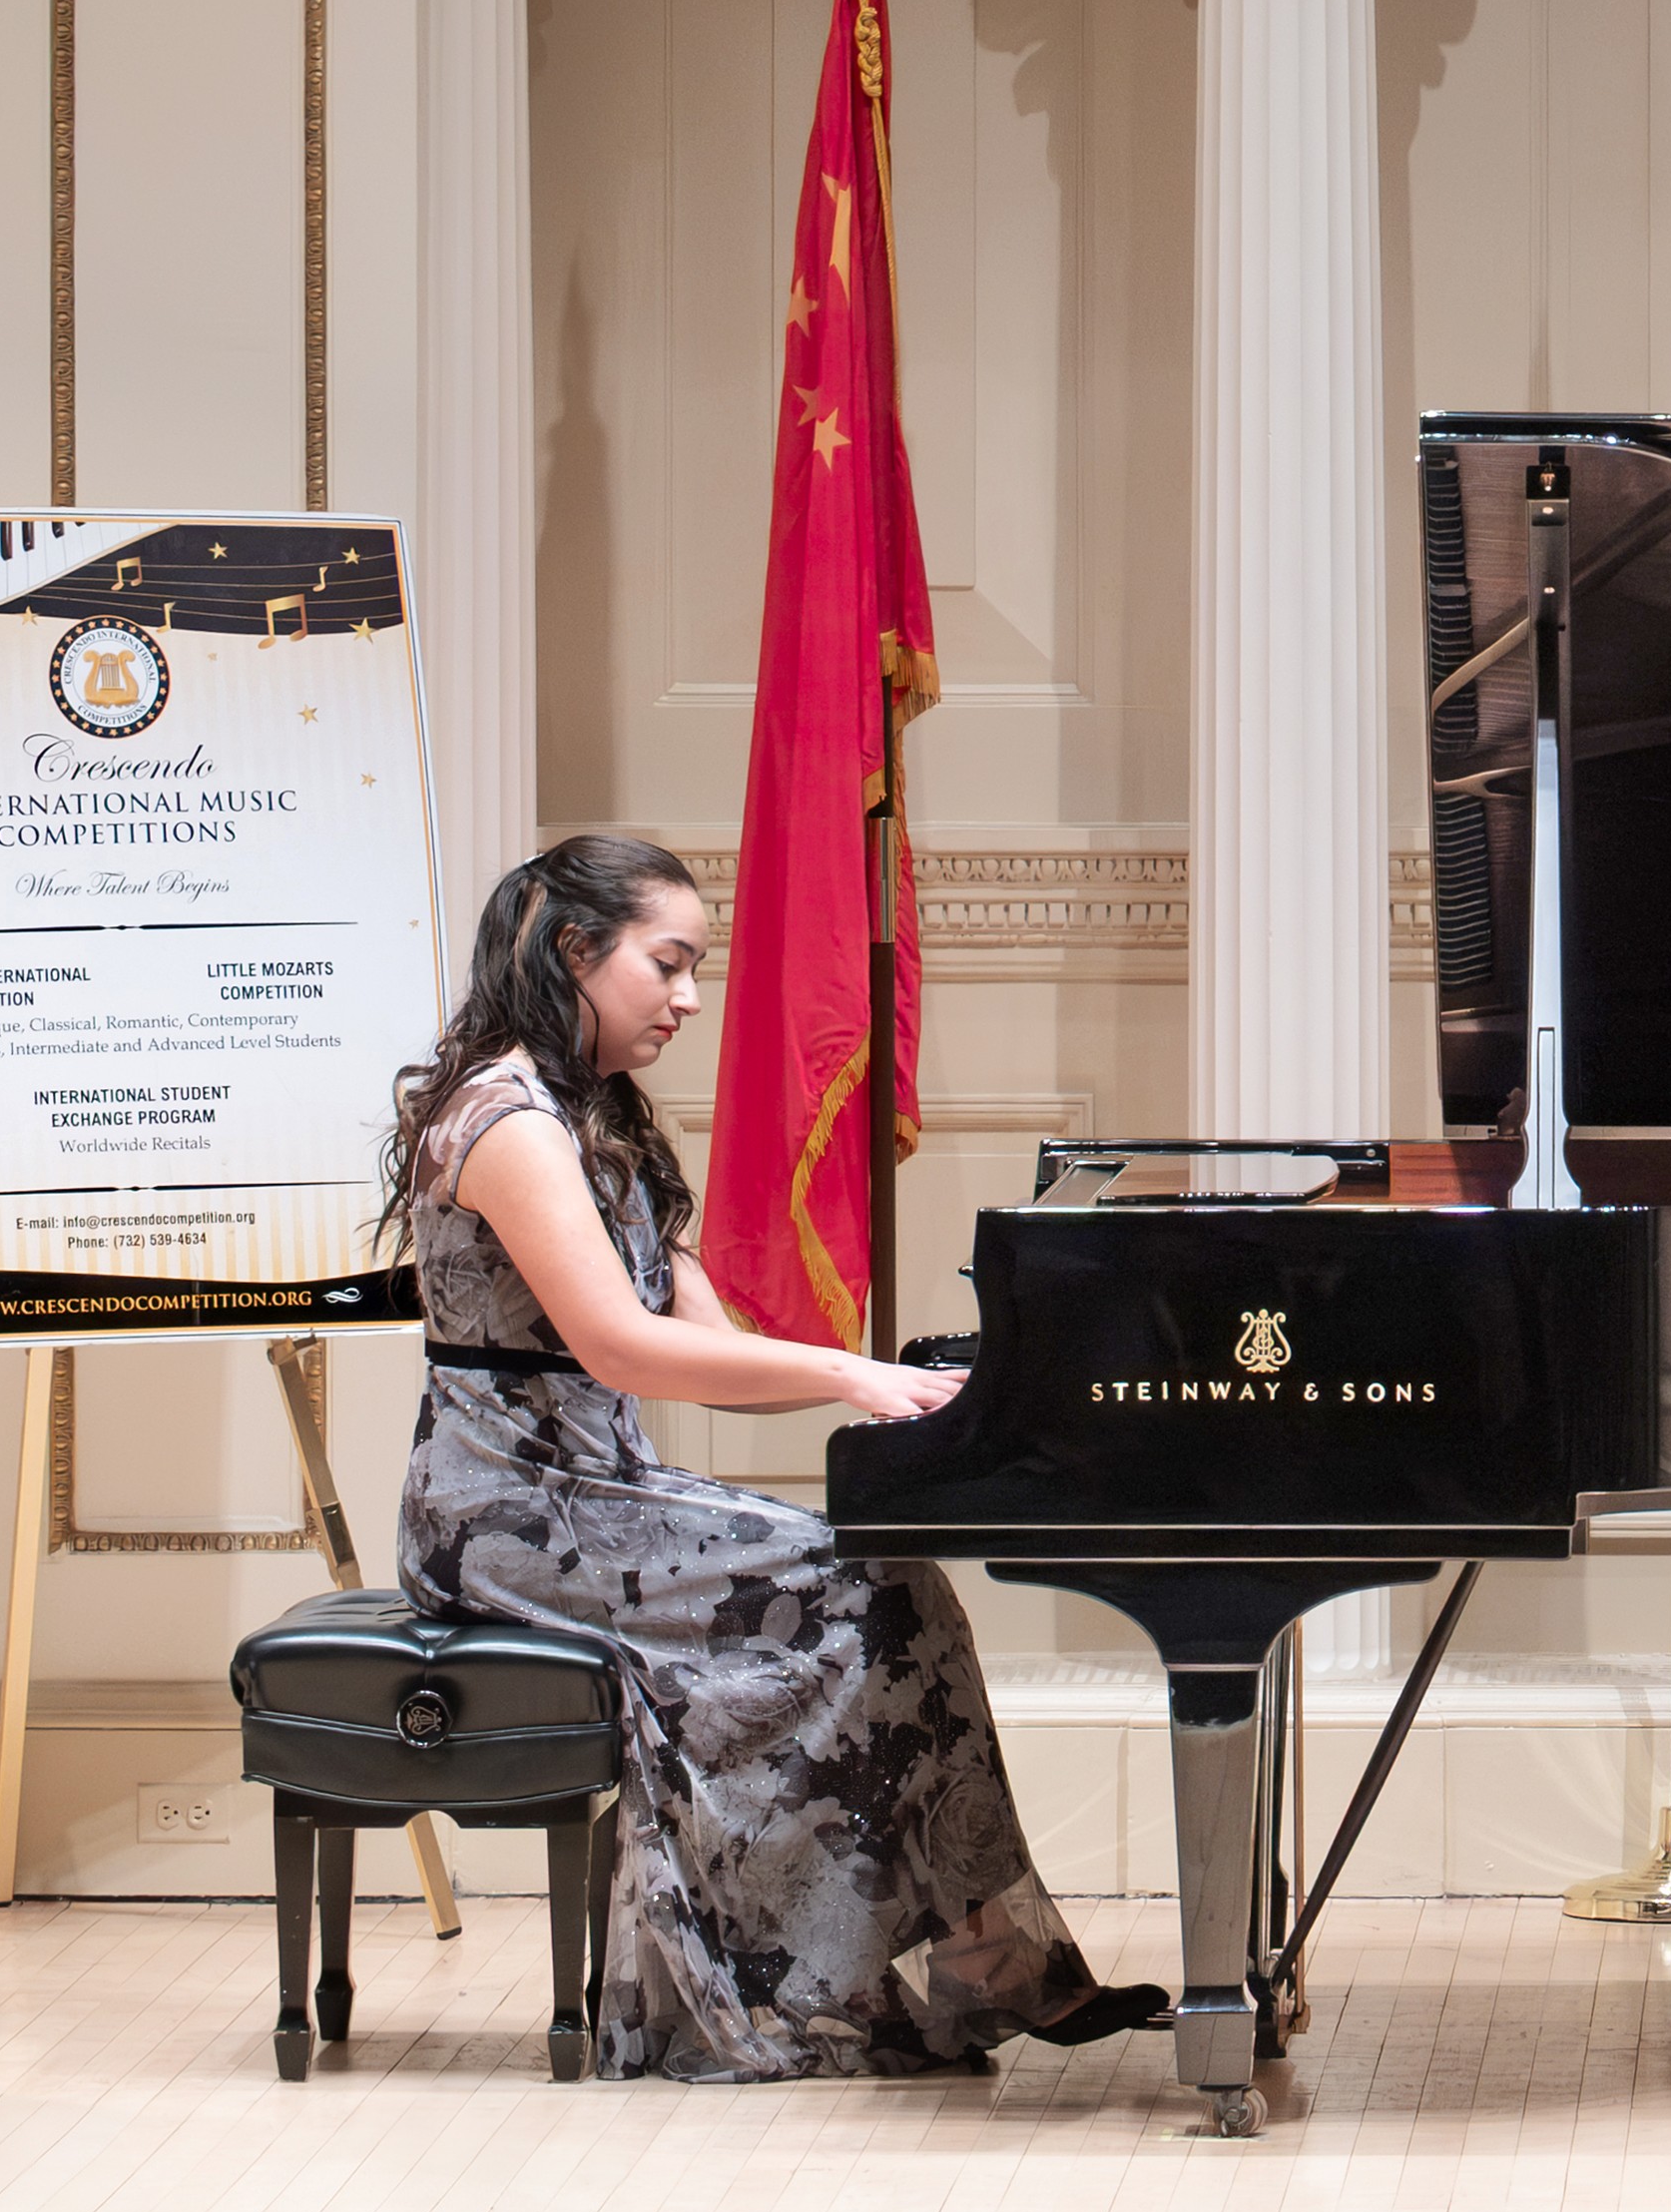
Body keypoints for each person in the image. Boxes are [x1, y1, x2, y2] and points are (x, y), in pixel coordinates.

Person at [382, 830, 1161, 2080]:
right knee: (880, 1590)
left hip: (594, 1491)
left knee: (887, 1581)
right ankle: (910, 1963)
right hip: (507, 1513)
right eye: (668, 964)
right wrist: (852, 1376)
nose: (690, 997)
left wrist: (919, 1393)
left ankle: (953, 1954)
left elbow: (709, 1345)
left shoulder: (590, 1117)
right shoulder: (507, 1120)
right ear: (575, 949)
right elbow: (623, 1347)